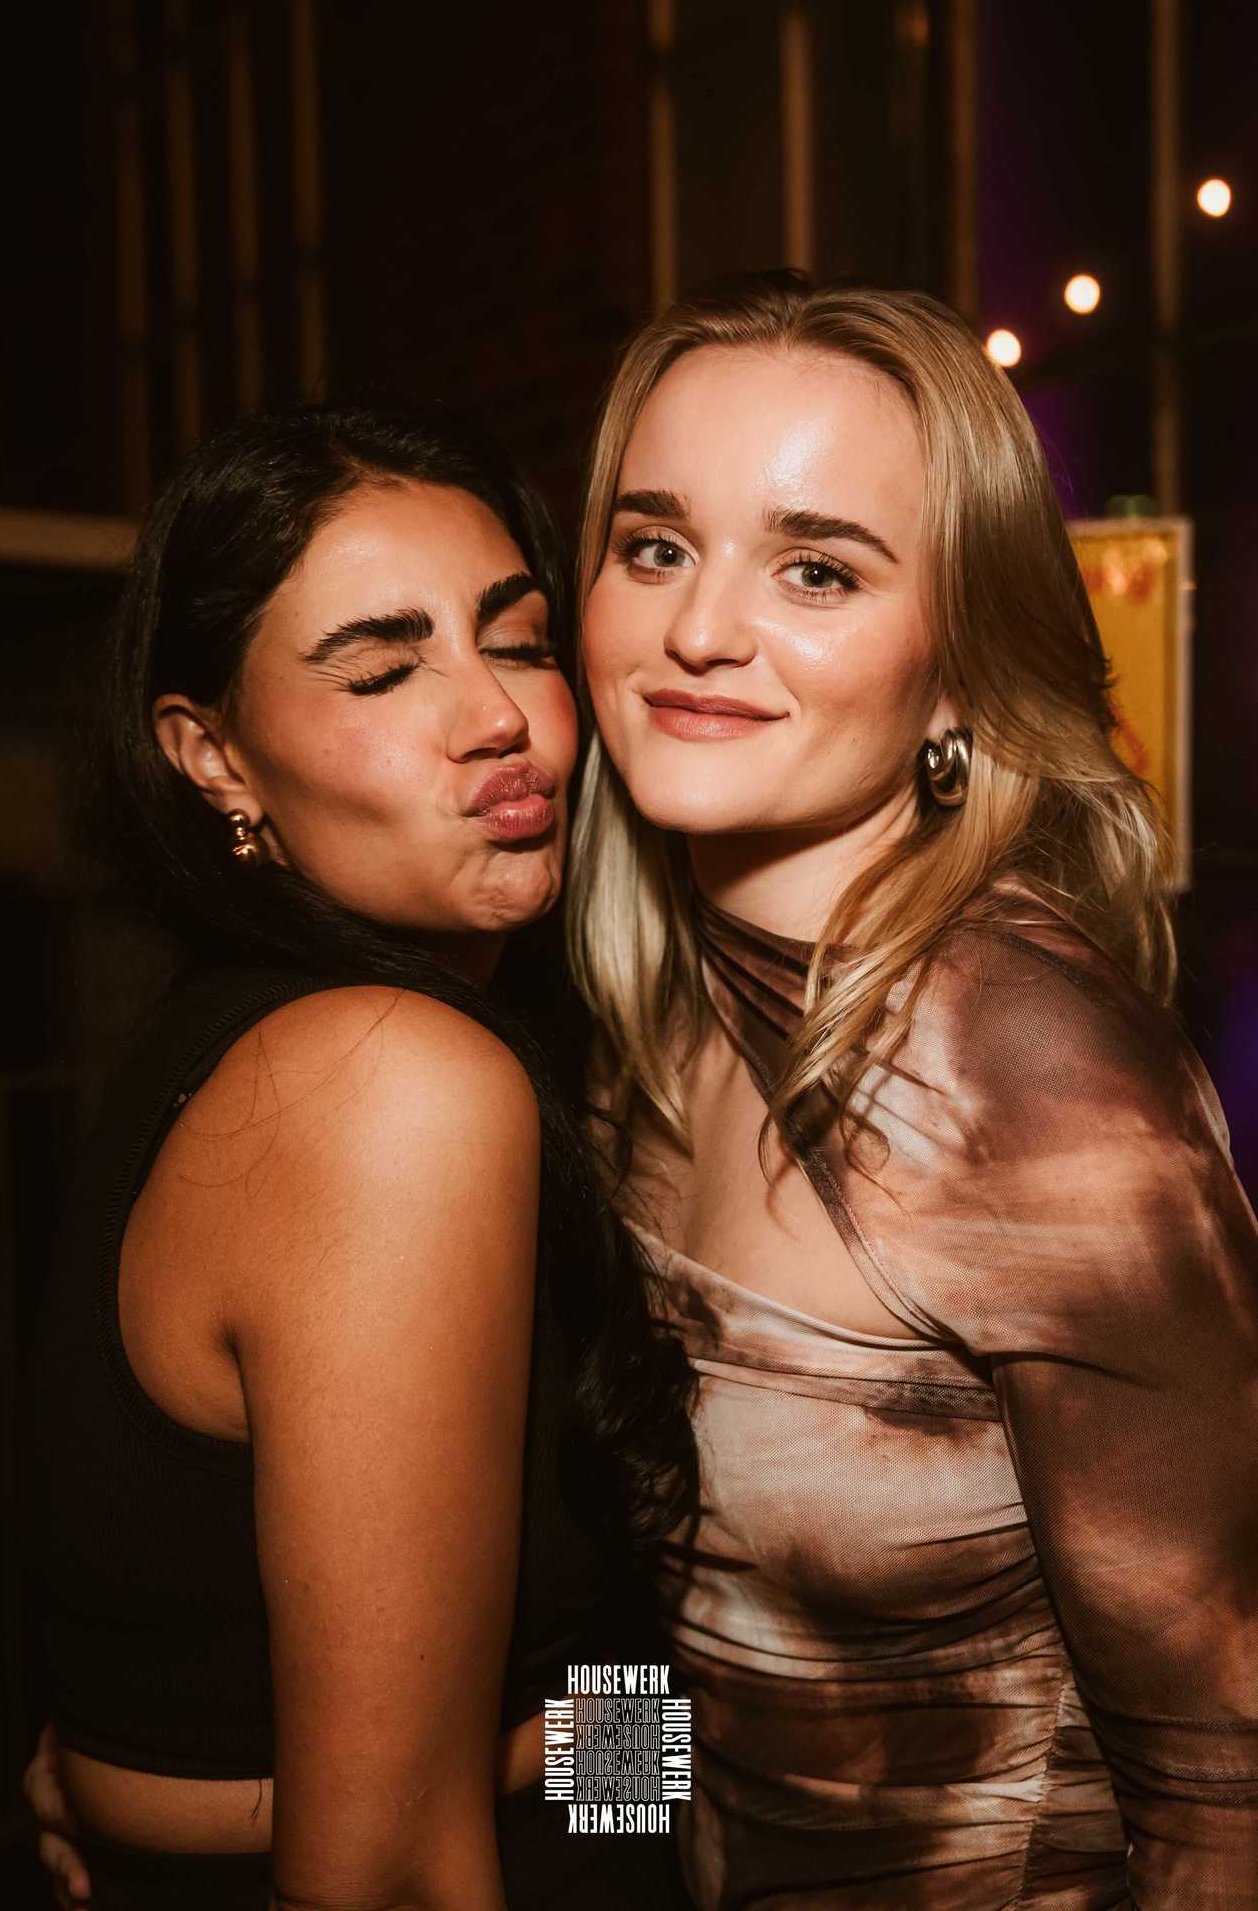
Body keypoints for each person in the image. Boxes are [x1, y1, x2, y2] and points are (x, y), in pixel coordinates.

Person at [569, 274, 1258, 1906]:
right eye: (655, 547)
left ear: (959, 665)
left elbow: (1221, 1799)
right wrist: (606, 1855)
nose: (698, 630)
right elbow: (644, 1615)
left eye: (816, 568)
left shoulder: (1027, 1066)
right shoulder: (635, 1009)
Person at [28, 402, 696, 1910]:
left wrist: (669, 1742)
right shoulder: (391, 1080)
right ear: (214, 757)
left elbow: (570, 1680)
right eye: (385, 670)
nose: (496, 715)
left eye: (517, 641)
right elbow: (385, 1862)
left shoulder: (271, 1029)